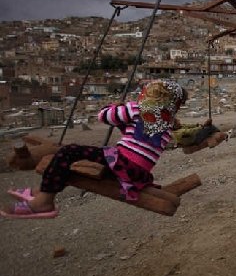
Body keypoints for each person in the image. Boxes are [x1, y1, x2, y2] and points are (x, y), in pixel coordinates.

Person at [2, 79, 187, 219]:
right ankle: (41, 191)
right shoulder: (168, 122)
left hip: (121, 163)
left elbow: (104, 116)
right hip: (138, 172)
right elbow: (139, 135)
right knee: (78, 160)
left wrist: (118, 106)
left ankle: (44, 202)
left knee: (68, 152)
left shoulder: (137, 109)